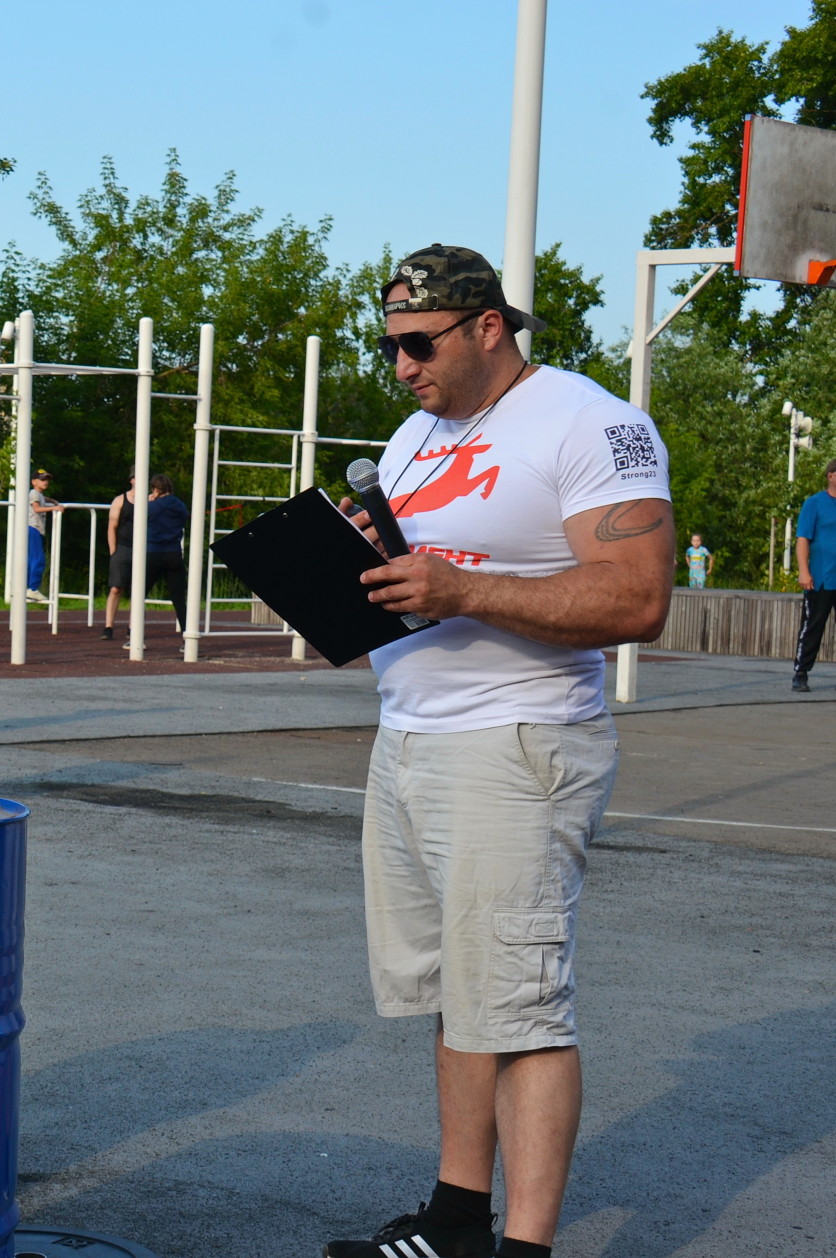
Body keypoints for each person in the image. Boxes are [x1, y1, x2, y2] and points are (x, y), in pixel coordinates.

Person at [324, 244, 673, 1258]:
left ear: (488, 326)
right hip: (412, 739)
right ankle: (454, 1222)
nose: (402, 367)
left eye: (418, 345)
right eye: (388, 347)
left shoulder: (588, 422)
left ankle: (524, 1250)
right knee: (461, 995)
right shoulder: (413, 437)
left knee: (521, 1007)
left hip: (517, 745)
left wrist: (462, 590)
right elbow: (419, 577)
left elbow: (637, 598)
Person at [791, 458, 836, 692]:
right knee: (813, 626)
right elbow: (802, 539)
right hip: (821, 577)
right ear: (831, 476)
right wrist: (803, 571)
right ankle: (801, 672)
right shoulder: (814, 503)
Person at [144, 472, 190, 635]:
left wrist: (148, 502)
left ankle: (134, 633)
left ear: (156, 489)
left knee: (140, 593)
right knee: (179, 598)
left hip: (154, 552)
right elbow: (185, 518)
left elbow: (140, 518)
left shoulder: (152, 506)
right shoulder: (180, 506)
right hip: (174, 553)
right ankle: (186, 634)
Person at [101, 476, 137, 641]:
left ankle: (133, 627)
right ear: (131, 480)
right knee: (116, 588)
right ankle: (108, 627)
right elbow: (112, 526)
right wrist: (113, 551)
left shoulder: (150, 500)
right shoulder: (120, 500)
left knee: (138, 590)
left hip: (142, 549)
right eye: (136, 477)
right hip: (122, 548)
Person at [26, 468, 63, 601]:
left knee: (31, 559)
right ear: (34, 481)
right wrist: (54, 508)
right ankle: (33, 588)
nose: (45, 482)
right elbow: (36, 509)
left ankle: (27, 588)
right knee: (38, 559)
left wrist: (51, 500)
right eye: (42, 479)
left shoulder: (38, 494)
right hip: (34, 528)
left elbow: (40, 499)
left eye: (47, 479)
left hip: (34, 529)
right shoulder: (33, 494)